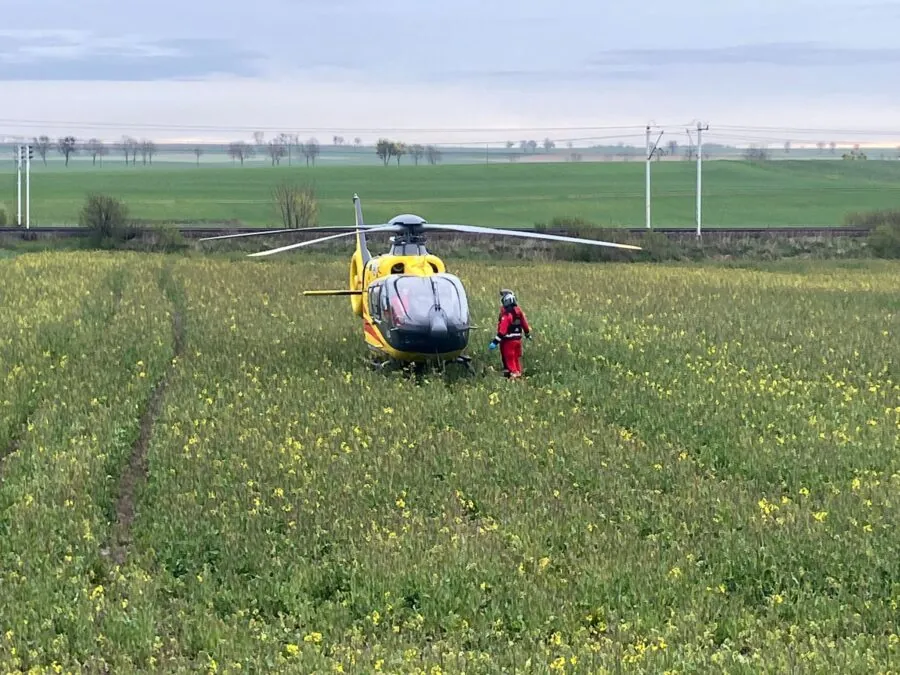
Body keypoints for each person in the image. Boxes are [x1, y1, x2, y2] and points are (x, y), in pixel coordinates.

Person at [488, 289, 531, 378]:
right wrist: (527, 334)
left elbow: (502, 331)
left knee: (509, 358)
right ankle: (517, 372)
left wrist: (495, 342)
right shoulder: (519, 313)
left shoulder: (507, 315)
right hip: (518, 340)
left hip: (508, 342)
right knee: (516, 357)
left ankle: (514, 374)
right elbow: (525, 325)